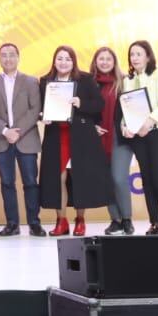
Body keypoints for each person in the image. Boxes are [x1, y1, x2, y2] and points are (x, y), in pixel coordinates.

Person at [37, 46, 109, 236]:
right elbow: (39, 107)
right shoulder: (45, 81)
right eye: (59, 58)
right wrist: (42, 115)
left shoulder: (85, 79)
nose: (63, 62)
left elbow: (99, 105)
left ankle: (80, 220)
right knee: (57, 178)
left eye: (68, 59)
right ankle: (61, 221)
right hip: (55, 137)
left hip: (80, 137)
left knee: (79, 177)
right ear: (54, 61)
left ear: (73, 61)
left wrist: (81, 103)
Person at [0, 43, 44, 236]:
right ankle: (12, 224)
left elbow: (35, 109)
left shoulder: (31, 82)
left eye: (11, 55)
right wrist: (5, 131)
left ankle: (34, 223)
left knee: (30, 182)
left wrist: (17, 132)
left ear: (18, 57)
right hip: (2, 140)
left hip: (26, 138)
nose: (8, 58)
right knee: (7, 183)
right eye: (3, 55)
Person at [118, 40, 158, 235]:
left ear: (148, 56)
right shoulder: (128, 80)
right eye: (132, 54)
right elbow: (125, 109)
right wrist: (125, 126)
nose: (135, 58)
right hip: (138, 136)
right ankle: (155, 223)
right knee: (147, 179)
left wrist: (148, 123)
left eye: (139, 54)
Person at [89, 47, 127, 232]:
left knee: (118, 178)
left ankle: (127, 218)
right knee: (107, 180)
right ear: (95, 61)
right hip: (98, 137)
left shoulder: (124, 81)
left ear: (114, 62)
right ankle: (116, 220)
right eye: (101, 58)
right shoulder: (88, 83)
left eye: (108, 59)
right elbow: (82, 111)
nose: (104, 62)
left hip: (120, 137)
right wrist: (92, 127)